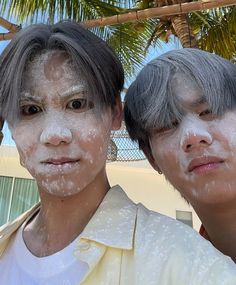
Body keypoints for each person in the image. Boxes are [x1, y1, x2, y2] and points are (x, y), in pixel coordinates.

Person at [0, 23, 236, 285]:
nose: (54, 134)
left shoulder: (190, 264)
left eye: (77, 104)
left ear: (115, 113)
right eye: (30, 110)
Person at [124, 48, 236, 263]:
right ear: (151, 158)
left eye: (208, 111)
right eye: (167, 125)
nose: (192, 136)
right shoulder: (178, 271)